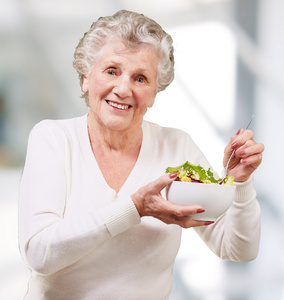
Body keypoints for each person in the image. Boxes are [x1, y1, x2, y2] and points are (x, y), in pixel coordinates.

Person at [18, 9, 265, 300]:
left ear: (154, 93)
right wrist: (134, 208)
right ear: (86, 77)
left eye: (140, 78)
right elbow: (39, 252)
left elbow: (238, 249)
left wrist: (240, 183)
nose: (123, 89)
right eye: (112, 71)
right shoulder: (54, 139)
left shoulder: (176, 146)